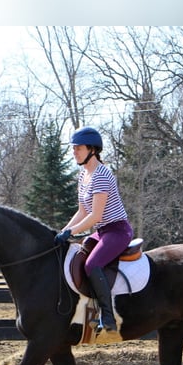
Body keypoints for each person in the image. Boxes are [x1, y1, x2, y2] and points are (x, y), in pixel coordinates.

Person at [55, 126, 133, 336]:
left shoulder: (102, 175)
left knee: (92, 264)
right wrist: (64, 231)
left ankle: (108, 317)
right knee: (78, 258)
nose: (74, 152)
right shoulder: (83, 176)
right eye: (74, 148)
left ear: (92, 149)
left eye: (78, 148)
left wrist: (71, 232)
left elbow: (95, 216)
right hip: (101, 231)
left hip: (117, 231)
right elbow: (82, 211)